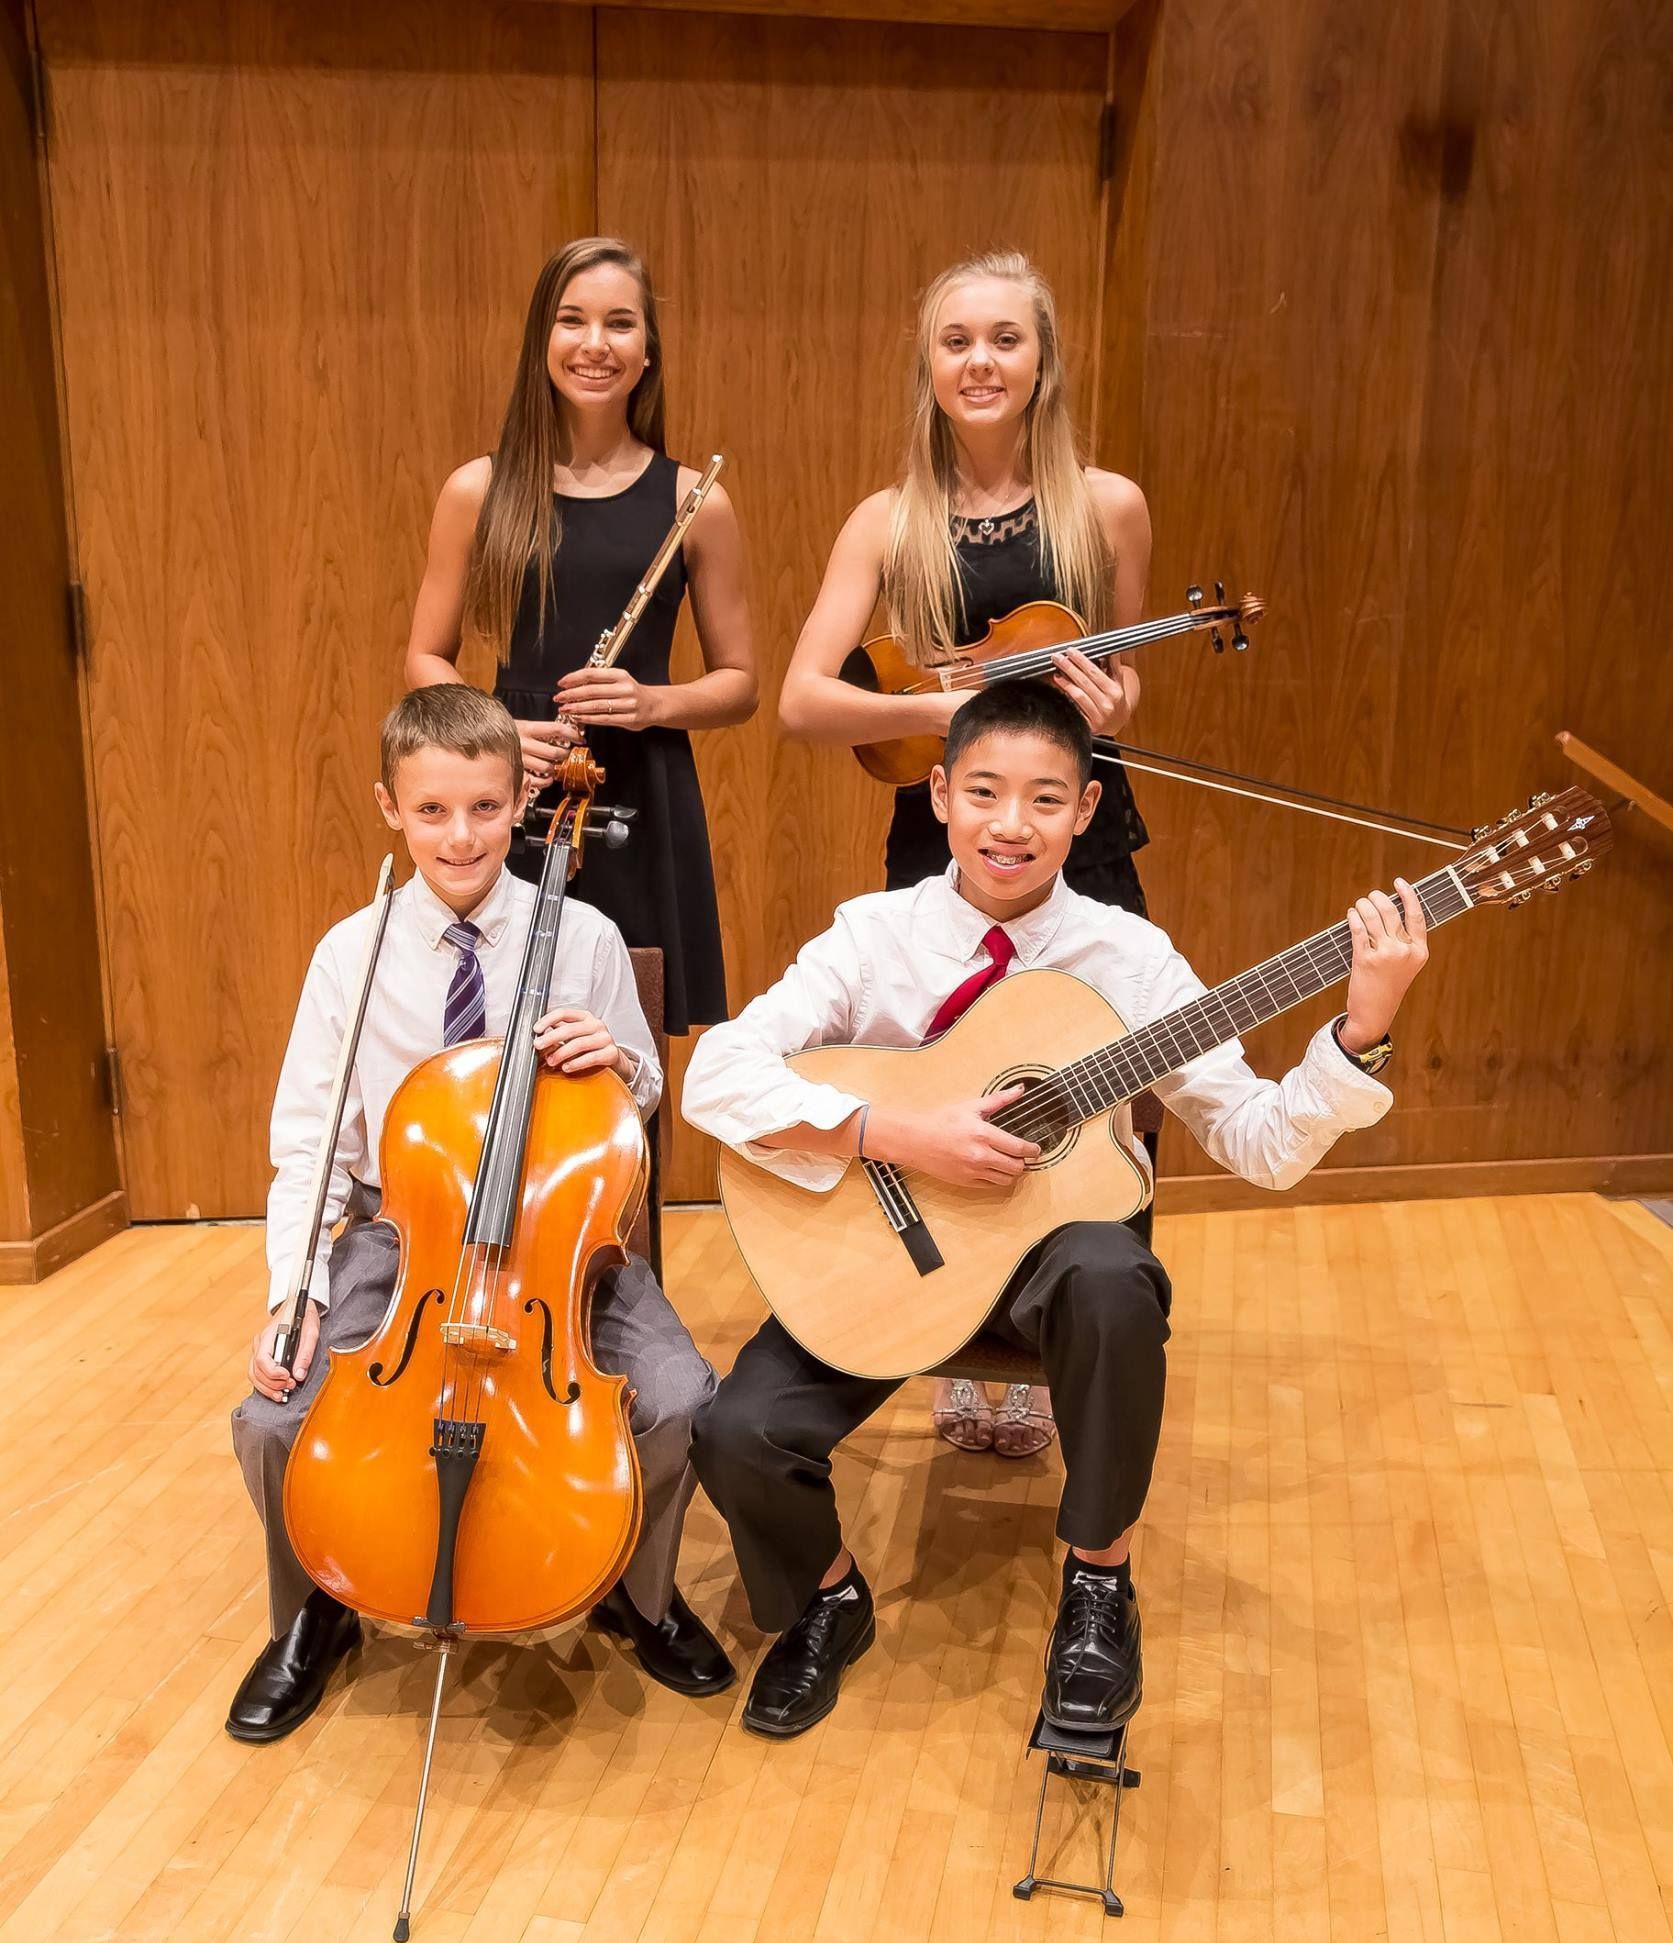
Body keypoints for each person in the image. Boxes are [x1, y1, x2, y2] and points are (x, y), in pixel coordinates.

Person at [682, 679, 1427, 1741]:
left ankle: (1097, 1583)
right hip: (893, 1253)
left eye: (1044, 798)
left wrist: (1359, 1029)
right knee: (734, 1429)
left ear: (1084, 811)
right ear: (938, 793)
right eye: (983, 790)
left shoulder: (1130, 960)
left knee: (1113, 1272)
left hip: (1048, 1278)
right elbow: (716, 1073)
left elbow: (1257, 1144)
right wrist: (897, 1133)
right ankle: (827, 1597)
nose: (1009, 823)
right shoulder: (871, 935)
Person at [226, 685, 732, 1744]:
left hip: (554, 1235)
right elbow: (309, 1147)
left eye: (486, 808)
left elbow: (634, 1097)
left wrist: (616, 1059)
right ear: (389, 806)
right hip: (396, 1233)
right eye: (432, 811)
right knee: (274, 1417)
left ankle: (640, 1593)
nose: (460, 835)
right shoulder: (347, 954)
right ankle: (317, 1604)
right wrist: (294, 1297)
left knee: (685, 1398)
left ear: (519, 802)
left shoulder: (583, 932)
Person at [779, 248, 1152, 1452]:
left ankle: (1088, 1345)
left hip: (1072, 830)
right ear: (927, 366)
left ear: (1041, 359)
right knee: (949, 1086)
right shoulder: (889, 522)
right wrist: (931, 715)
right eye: (956, 342)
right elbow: (799, 699)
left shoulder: (1106, 504)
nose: (979, 361)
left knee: (1097, 1093)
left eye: (1004, 339)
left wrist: (1112, 703)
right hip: (943, 835)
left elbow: (1128, 669)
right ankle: (953, 1334)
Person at [407, 237, 756, 1035]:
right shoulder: (480, 488)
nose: (595, 344)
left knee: (627, 1039)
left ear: (646, 354)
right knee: (498, 1019)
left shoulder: (694, 500)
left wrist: (651, 700)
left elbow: (739, 682)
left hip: (639, 779)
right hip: (515, 778)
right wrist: (490, 733)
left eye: (619, 324)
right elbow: (424, 654)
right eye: (572, 321)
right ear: (542, 342)